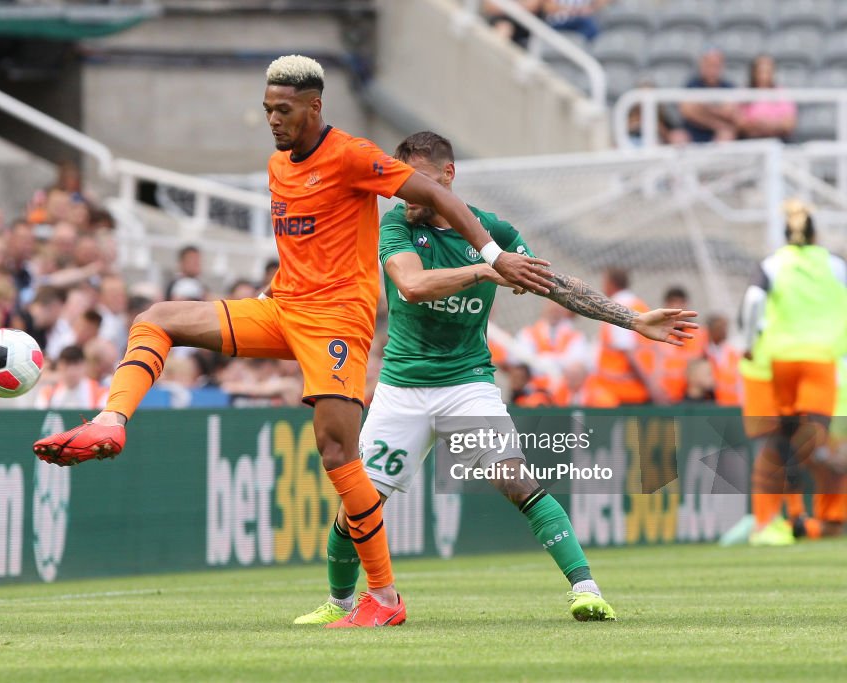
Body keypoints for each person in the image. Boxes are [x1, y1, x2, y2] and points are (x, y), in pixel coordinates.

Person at [34, 55, 559, 629]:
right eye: (267, 109)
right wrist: (269, 292)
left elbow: (440, 198)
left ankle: (382, 599)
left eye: (283, 110)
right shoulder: (278, 164)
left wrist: (493, 256)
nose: (273, 120)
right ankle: (112, 420)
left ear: (315, 107)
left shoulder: (354, 155)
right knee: (156, 318)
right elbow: (300, 244)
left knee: (338, 454)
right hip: (283, 310)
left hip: (336, 322)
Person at [293, 131, 696, 626]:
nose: (404, 191)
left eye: (415, 180)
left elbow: (555, 286)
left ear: (447, 177)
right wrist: (484, 271)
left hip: (468, 384)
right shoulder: (396, 224)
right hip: (402, 388)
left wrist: (632, 320)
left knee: (514, 477)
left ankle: (586, 589)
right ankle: (338, 603)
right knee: (358, 502)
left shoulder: (493, 231)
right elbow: (412, 285)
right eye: (399, 181)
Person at [740, 200, 847, 545]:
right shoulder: (835, 264)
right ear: (815, 232)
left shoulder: (773, 264)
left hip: (780, 361)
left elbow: (754, 301)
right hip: (822, 360)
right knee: (812, 441)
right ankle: (791, 518)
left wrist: (748, 340)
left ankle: (783, 519)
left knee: (782, 440)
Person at [594, 268, 662, 404]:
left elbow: (629, 352)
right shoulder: (640, 305)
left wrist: (652, 387)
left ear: (611, 284)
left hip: (620, 393)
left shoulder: (617, 308)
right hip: (639, 391)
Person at [680, 48, 738, 144]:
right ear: (702, 65)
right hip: (693, 131)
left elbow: (729, 112)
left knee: (727, 134)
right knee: (678, 137)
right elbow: (687, 111)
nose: (712, 69)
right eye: (708, 65)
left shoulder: (728, 86)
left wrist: (701, 109)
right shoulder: (692, 84)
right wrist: (718, 124)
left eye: (715, 65)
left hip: (718, 133)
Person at [737, 55, 797, 142]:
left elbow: (790, 123)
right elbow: (739, 122)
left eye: (768, 71)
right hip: (751, 140)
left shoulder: (781, 93)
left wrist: (770, 125)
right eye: (761, 71)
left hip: (777, 140)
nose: (764, 75)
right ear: (754, 72)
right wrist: (758, 125)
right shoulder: (745, 93)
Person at [35, 345, 108, 410]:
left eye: (76, 364)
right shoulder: (47, 394)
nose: (71, 371)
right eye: (66, 365)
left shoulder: (100, 394)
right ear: (59, 366)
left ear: (84, 365)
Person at [543, 0, 611, 42]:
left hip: (583, 20)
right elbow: (545, 6)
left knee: (591, 28)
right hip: (557, 22)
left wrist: (591, 8)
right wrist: (570, 10)